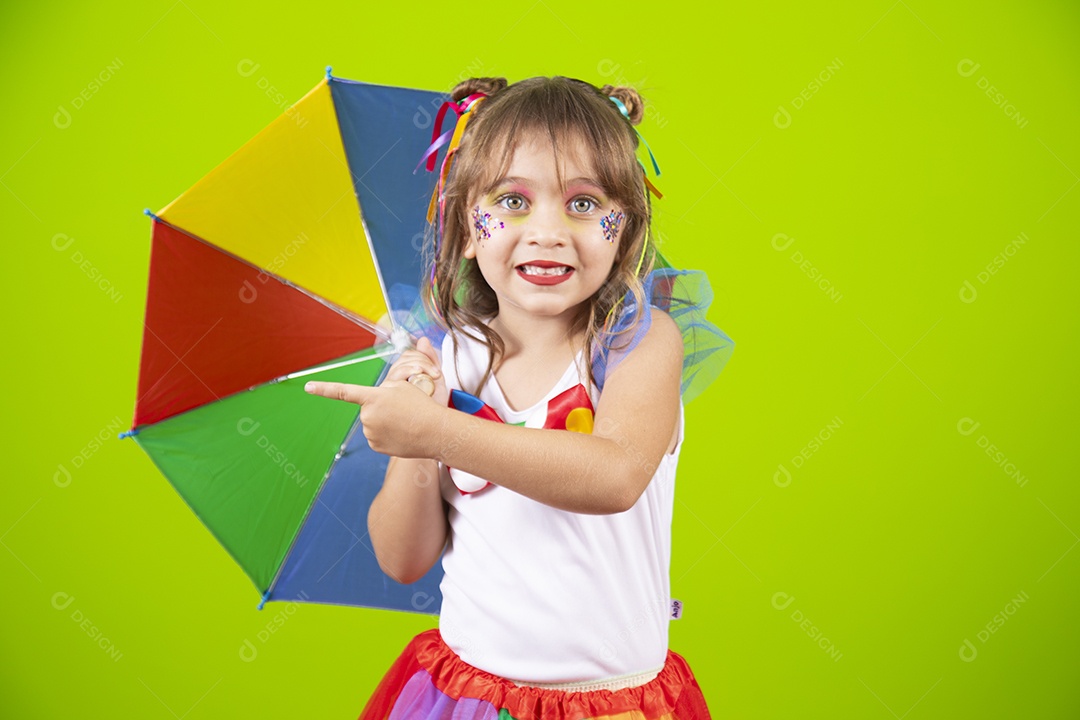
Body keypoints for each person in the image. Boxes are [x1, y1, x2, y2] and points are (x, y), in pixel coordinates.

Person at [306, 75, 717, 719]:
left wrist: (435, 430)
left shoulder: (636, 343)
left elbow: (613, 477)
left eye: (585, 203)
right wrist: (415, 433)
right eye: (513, 201)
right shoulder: (450, 360)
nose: (548, 230)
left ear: (624, 228)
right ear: (467, 229)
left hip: (611, 703)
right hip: (469, 696)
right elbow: (403, 558)